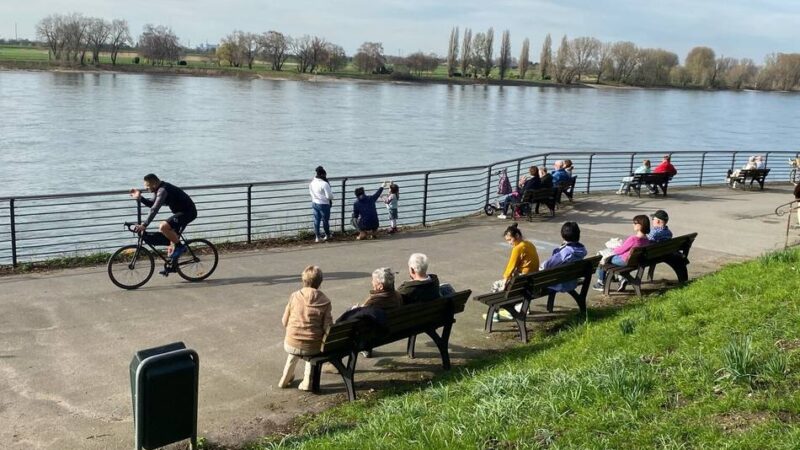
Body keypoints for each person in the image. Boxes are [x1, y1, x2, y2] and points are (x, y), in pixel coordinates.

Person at [278, 265, 333, 391]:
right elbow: (327, 328)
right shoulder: (325, 301)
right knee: (310, 351)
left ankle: (285, 378)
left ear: (303, 280)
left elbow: (284, 321)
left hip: (291, 343)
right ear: (320, 282)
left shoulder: (294, 296)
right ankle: (307, 382)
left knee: (294, 352)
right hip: (312, 347)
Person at [130, 174, 197, 273]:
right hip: (180, 213)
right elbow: (152, 204)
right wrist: (140, 198)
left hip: (188, 213)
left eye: (147, 186)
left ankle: (181, 247)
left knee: (163, 227)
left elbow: (154, 209)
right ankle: (173, 267)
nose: (146, 188)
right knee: (170, 241)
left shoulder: (163, 190)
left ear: (153, 184)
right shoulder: (158, 189)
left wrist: (144, 225)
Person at [592, 215, 651, 291]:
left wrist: (613, 248)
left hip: (624, 260)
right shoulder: (646, 239)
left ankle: (600, 283)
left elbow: (620, 250)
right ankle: (622, 279)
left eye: (635, 223)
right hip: (636, 261)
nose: (633, 224)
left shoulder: (633, 239)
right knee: (607, 256)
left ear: (640, 226)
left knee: (603, 258)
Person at [541, 221, 588, 294]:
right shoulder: (581, 249)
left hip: (559, 284)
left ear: (563, 235)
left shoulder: (565, 252)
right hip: (571, 282)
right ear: (578, 234)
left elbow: (548, 266)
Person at [309, 166, 333, 243]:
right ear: (323, 175)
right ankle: (327, 235)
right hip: (324, 204)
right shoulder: (324, 184)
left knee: (316, 220)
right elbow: (329, 196)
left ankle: (317, 237)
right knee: (325, 220)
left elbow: (311, 193)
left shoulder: (312, 183)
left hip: (315, 203)